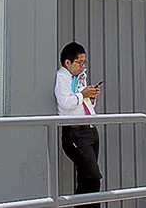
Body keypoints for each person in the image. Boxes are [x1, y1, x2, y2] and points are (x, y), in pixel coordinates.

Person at [55, 42, 102, 208]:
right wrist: (83, 95)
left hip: (90, 128)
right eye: (79, 63)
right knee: (93, 175)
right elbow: (65, 102)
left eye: (84, 63)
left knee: (85, 176)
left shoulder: (80, 77)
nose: (82, 66)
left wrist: (90, 97)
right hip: (75, 132)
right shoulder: (62, 77)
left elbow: (83, 104)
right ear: (68, 62)